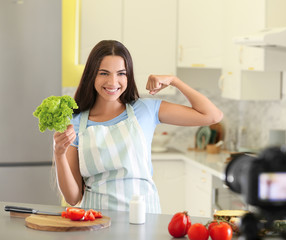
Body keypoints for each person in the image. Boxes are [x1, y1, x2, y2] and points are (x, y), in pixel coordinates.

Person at [53, 40, 223, 213]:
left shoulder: (145, 110)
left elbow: (212, 115)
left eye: (121, 73)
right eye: (104, 73)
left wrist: (174, 80)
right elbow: (73, 198)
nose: (113, 82)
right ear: (91, 75)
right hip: (97, 221)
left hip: (144, 218)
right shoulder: (74, 122)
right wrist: (59, 154)